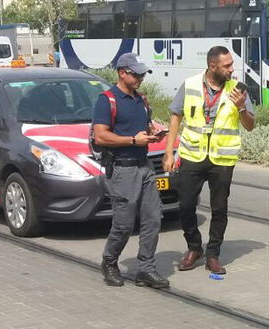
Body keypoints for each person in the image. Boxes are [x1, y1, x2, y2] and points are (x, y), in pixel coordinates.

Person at [163, 45, 256, 275]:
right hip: (192, 155)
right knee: (185, 205)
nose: (231, 70)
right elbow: (176, 116)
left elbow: (250, 126)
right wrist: (168, 152)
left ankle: (213, 255)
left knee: (219, 209)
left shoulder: (238, 90)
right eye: (227, 66)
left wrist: (242, 107)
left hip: (222, 158)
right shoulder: (191, 84)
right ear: (212, 66)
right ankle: (194, 247)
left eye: (231, 65)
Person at [93, 52, 170, 289]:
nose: (140, 78)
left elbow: (141, 129)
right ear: (122, 73)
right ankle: (110, 261)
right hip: (122, 170)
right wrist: (133, 141)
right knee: (124, 224)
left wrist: (153, 133)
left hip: (145, 167)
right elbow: (101, 135)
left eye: (142, 73)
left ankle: (146, 269)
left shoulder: (142, 101)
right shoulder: (107, 100)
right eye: (135, 74)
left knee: (153, 218)